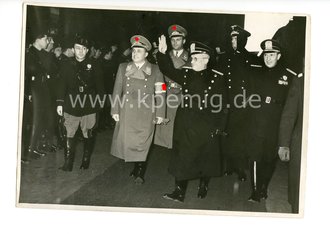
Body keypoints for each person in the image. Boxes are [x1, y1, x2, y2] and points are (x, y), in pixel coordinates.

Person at [157, 35, 228, 202]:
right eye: (192, 58)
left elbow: (223, 105)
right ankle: (179, 192)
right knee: (181, 157)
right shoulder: (187, 73)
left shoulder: (217, 77)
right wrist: (162, 53)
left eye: (196, 59)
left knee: (205, 157)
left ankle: (203, 185)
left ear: (206, 59)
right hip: (186, 121)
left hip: (206, 122)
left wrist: (219, 127)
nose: (192, 61)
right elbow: (168, 70)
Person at [110, 35, 166, 184]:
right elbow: (117, 90)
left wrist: (160, 113)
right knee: (130, 142)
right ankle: (136, 167)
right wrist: (114, 110)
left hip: (146, 112)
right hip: (127, 111)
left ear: (146, 54)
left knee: (142, 142)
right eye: (134, 51)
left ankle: (140, 171)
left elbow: (161, 92)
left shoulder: (156, 70)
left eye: (139, 51)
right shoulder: (123, 67)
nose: (135, 54)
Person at [246, 39, 297, 202]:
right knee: (254, 156)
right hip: (256, 119)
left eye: (272, 54)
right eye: (266, 54)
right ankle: (254, 190)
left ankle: (263, 188)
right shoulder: (254, 71)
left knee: (269, 158)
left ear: (279, 56)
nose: (268, 58)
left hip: (276, 121)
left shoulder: (289, 75)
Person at [56, 35, 105, 171]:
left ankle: (85, 160)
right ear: (73, 49)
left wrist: (101, 100)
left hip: (89, 103)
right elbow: (62, 84)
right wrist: (60, 103)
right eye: (78, 48)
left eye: (84, 48)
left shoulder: (94, 64)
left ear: (87, 50)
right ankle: (68, 163)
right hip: (71, 103)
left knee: (88, 132)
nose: (81, 51)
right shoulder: (66, 64)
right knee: (69, 132)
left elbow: (100, 84)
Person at [220, 25, 259, 182]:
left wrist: (248, 100)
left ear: (243, 40)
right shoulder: (223, 57)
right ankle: (229, 165)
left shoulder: (251, 58)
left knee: (241, 136)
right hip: (226, 101)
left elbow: (255, 84)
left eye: (236, 38)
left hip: (243, 103)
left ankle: (240, 168)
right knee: (227, 134)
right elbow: (219, 81)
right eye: (232, 38)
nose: (233, 41)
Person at [154, 24, 189, 149]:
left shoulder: (189, 57)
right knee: (165, 125)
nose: (175, 42)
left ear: (184, 40)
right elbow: (159, 78)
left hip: (181, 94)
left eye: (178, 39)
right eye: (173, 40)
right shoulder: (164, 56)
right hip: (167, 93)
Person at [23, 28, 53, 163]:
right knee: (33, 121)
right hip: (34, 90)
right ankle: (27, 151)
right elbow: (28, 74)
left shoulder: (41, 53)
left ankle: (33, 147)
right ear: (38, 39)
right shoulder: (30, 54)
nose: (47, 41)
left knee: (40, 120)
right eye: (46, 39)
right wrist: (28, 92)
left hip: (42, 89)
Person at [278, 72, 304, 213]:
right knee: (299, 194)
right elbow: (289, 115)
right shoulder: (301, 82)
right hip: (302, 144)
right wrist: (284, 145)